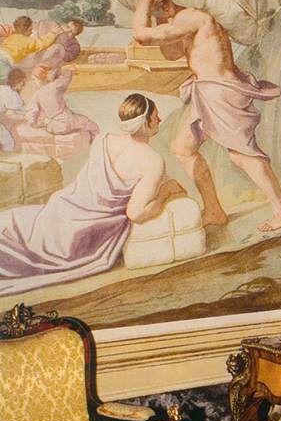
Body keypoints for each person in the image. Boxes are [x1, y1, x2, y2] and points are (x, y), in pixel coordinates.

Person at [132, 0, 281, 231]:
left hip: (220, 92)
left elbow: (141, 36)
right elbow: (171, 53)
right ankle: (214, 210)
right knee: (183, 148)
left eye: (156, 9)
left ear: (165, 3)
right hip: (208, 92)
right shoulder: (183, 21)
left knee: (241, 155)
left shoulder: (192, 17)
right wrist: (161, 20)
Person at [0, 93, 186, 295]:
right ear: (145, 123)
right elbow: (136, 213)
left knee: (12, 225)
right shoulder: (152, 161)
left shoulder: (104, 140)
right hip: (80, 234)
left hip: (61, 209)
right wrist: (165, 192)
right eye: (156, 116)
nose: (160, 119)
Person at [23, 62, 99, 141]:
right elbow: (65, 79)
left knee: (48, 125)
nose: (33, 82)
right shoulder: (55, 86)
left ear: (39, 79)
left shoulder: (37, 94)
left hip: (57, 125)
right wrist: (69, 70)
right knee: (90, 124)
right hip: (69, 120)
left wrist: (32, 122)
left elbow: (32, 110)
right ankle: (95, 141)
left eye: (34, 79)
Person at [0, 68, 24, 152]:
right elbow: (11, 111)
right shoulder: (7, 91)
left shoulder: (12, 92)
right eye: (22, 82)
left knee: (8, 142)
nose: (23, 84)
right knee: (8, 142)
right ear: (16, 81)